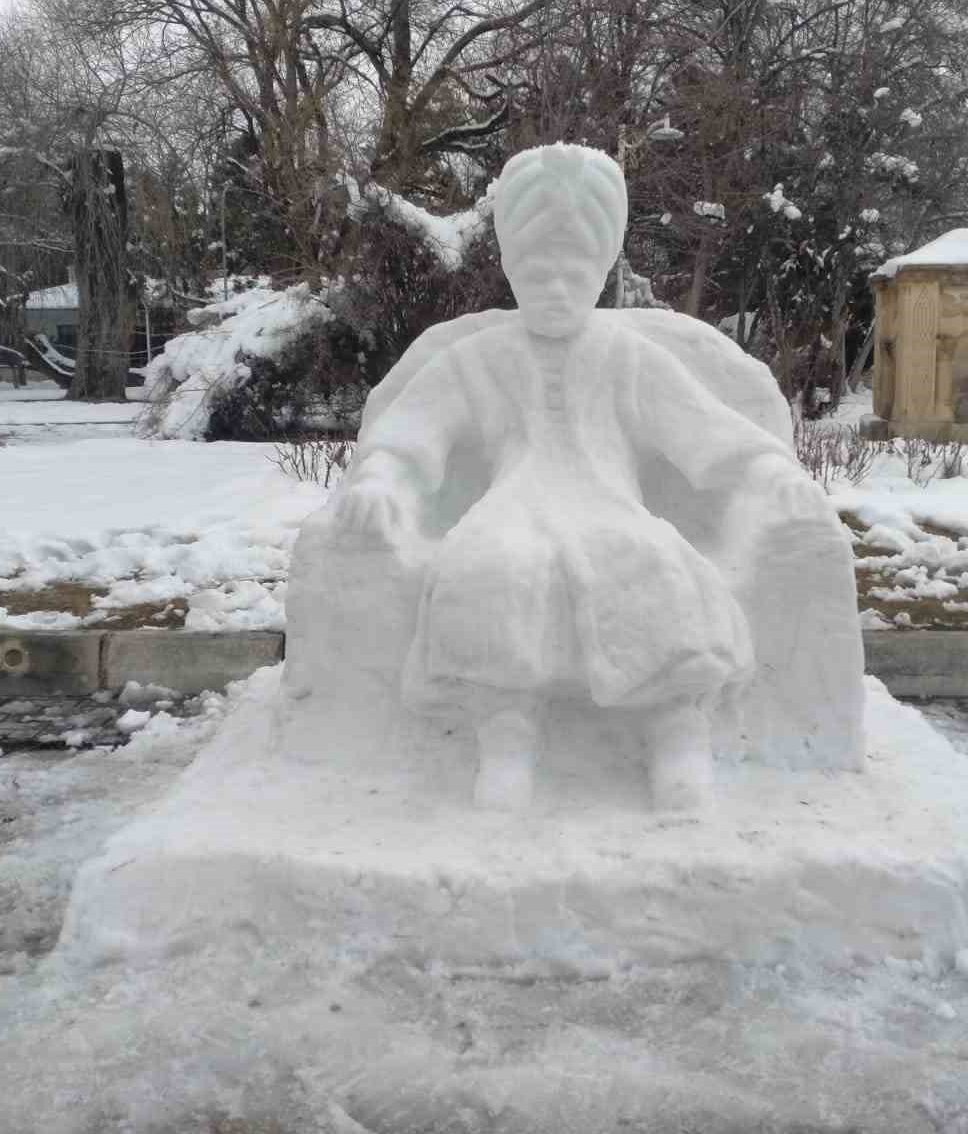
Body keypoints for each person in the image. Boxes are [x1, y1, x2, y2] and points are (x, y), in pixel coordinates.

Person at [330, 144, 837, 811]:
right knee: (493, 568)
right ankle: (506, 736)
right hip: (513, 507)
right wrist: (381, 480)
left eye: (574, 273)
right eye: (538, 273)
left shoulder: (628, 357)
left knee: (651, 565)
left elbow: (705, 430)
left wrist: (770, 471)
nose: (556, 288)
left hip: (610, 506)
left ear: (601, 273)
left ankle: (676, 734)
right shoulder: (478, 360)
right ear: (511, 268)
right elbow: (414, 427)